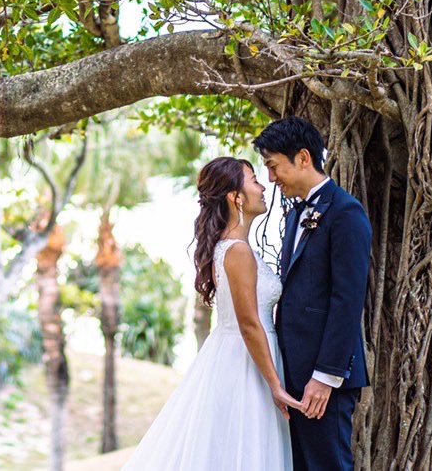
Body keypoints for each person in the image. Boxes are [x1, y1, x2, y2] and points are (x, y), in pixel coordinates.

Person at [124, 157, 296, 470]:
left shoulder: (233, 247)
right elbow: (248, 324)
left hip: (237, 356)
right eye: (254, 180)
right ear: (236, 197)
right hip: (247, 365)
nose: (263, 186)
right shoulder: (238, 251)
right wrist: (275, 385)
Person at [255, 116, 372, 471]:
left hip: (324, 379)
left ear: (303, 158)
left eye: (274, 167)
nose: (271, 179)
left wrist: (325, 377)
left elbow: (347, 301)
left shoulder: (346, 213)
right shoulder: (294, 216)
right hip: (294, 373)